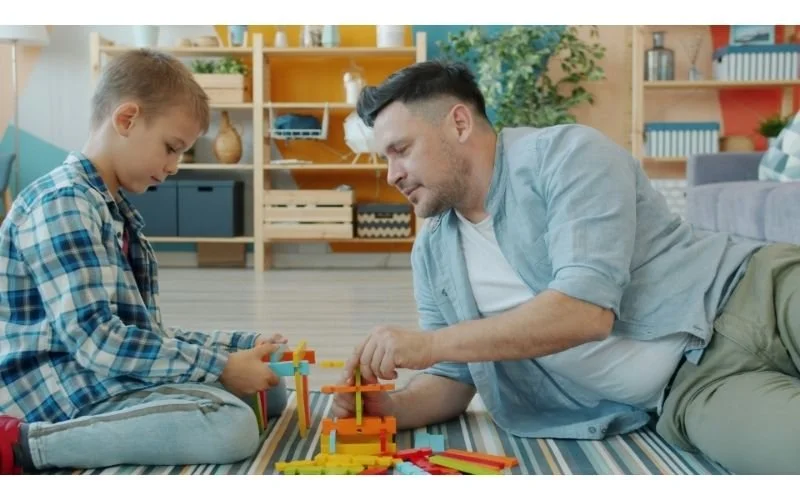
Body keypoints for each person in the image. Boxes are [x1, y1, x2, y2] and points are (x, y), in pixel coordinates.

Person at [332, 60, 800, 474]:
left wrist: (429, 344)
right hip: (694, 390)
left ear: (458, 123)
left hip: (758, 293)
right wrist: (390, 407)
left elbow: (585, 312)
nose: (392, 174)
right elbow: (456, 378)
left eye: (401, 150)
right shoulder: (432, 254)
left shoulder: (567, 155)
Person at [0, 49, 287, 475]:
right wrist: (222, 366)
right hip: (53, 385)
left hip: (94, 370)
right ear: (127, 119)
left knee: (271, 386)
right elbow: (98, 340)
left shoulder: (111, 208)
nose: (173, 167)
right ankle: (26, 446)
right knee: (231, 426)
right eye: (171, 148)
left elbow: (140, 334)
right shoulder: (64, 204)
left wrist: (237, 345)